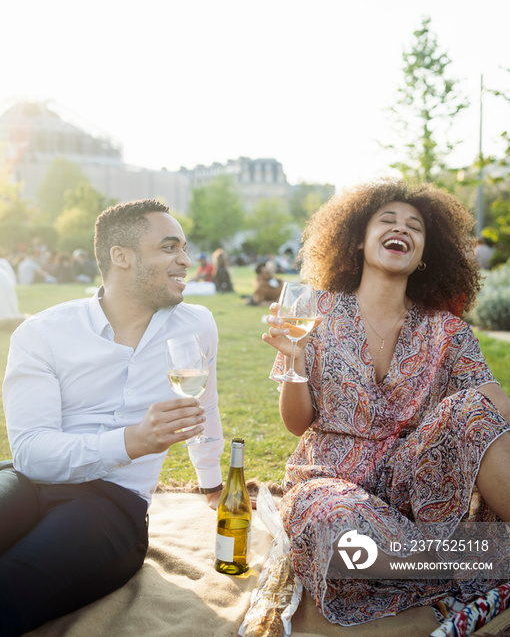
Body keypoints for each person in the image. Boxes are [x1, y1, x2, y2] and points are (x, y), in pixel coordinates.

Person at [262, 179, 510, 626]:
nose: (403, 229)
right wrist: (296, 361)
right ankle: (480, 561)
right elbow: (297, 424)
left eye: (415, 227)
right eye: (388, 220)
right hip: (332, 483)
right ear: (357, 238)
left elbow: (495, 405)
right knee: (338, 528)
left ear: (425, 252)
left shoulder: (446, 331)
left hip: (419, 485)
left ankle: (463, 558)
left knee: (473, 409)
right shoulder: (313, 311)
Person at [0, 199, 224, 637]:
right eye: (169, 247)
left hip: (112, 502)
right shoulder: (42, 334)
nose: (185, 259)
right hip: (25, 480)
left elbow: (204, 406)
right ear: (121, 257)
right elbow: (30, 455)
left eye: (185, 247)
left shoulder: (196, 325)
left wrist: (212, 482)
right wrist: (131, 440)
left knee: (12, 587)